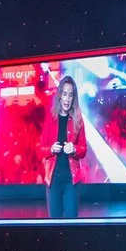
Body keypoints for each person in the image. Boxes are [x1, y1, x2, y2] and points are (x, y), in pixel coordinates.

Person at [44, 73, 85, 221]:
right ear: (60, 95)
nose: (67, 99)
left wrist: (74, 149)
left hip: (71, 180)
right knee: (54, 224)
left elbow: (83, 149)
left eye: (71, 95)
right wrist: (50, 149)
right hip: (53, 180)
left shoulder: (78, 119)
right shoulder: (51, 118)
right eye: (65, 94)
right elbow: (40, 149)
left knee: (71, 224)